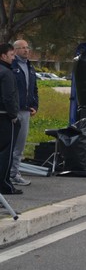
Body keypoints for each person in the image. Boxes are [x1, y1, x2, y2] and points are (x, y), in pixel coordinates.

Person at [10, 39, 38, 186]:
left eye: (27, 47)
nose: (26, 50)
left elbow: (34, 88)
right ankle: (9, 174)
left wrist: (35, 105)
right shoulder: (11, 66)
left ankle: (14, 173)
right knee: (10, 144)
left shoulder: (30, 66)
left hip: (25, 111)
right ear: (15, 50)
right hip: (12, 111)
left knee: (20, 145)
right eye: (23, 48)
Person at [0, 43, 22, 195]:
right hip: (5, 117)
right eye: (12, 55)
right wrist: (14, 115)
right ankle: (5, 185)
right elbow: (9, 96)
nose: (14, 58)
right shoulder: (6, 73)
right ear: (3, 56)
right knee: (5, 153)